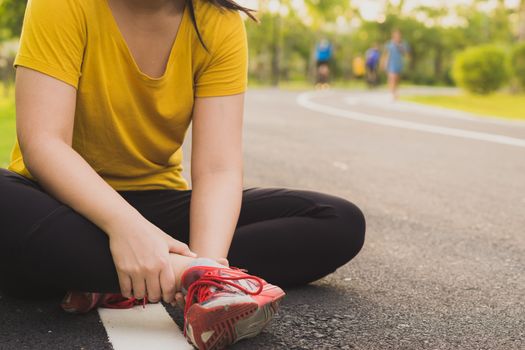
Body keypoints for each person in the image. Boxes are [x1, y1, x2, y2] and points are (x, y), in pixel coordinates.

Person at [0, 0, 366, 349]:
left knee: (337, 220)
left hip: (157, 208)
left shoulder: (217, 23)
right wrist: (127, 229)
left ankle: (130, 276)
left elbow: (218, 168)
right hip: (58, 203)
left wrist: (209, 268)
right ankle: (171, 273)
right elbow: (43, 142)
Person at [383, 29, 409, 100]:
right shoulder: (389, 44)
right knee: (392, 78)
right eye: (395, 35)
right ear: (393, 35)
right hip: (391, 63)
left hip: (399, 63)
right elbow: (386, 54)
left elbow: (405, 54)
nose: (397, 36)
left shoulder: (403, 44)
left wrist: (402, 49)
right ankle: (392, 93)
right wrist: (385, 63)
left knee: (396, 79)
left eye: (398, 35)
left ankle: (395, 91)